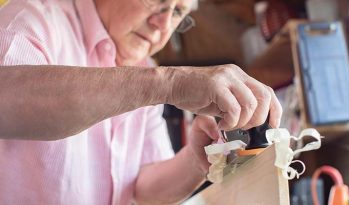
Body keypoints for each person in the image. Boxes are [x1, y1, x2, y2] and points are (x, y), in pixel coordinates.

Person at [0, 0, 282, 204]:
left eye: (177, 12)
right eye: (157, 1)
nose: (162, 25)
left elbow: (142, 187)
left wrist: (198, 159)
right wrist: (168, 83)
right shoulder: (32, 20)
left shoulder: (143, 67)